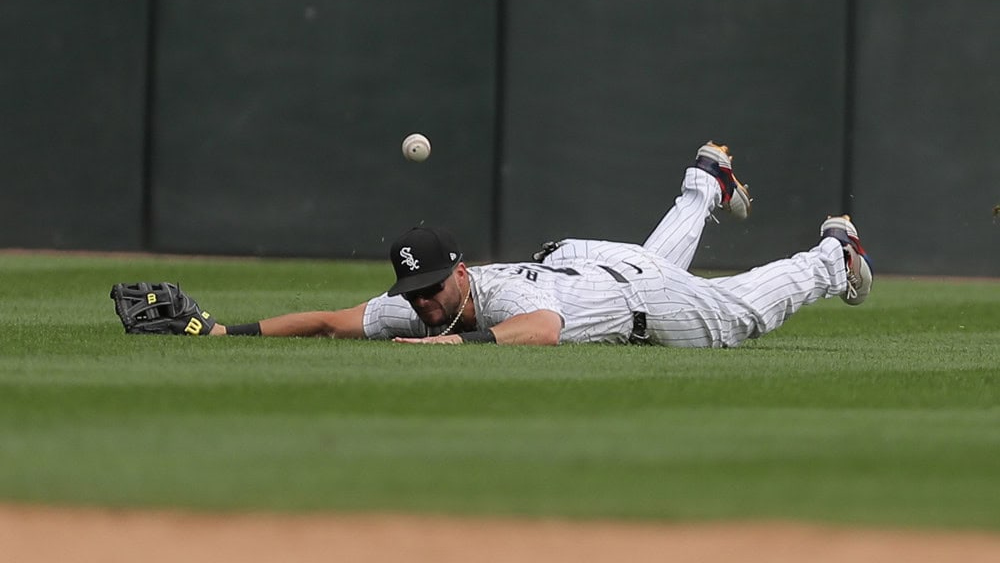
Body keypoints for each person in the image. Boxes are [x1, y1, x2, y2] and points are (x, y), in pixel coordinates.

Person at [195, 142, 872, 347]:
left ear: (459, 273)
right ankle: (703, 184)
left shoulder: (496, 297)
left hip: (635, 293)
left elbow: (543, 327)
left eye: (431, 288)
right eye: (414, 294)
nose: (423, 304)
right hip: (587, 264)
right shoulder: (429, 302)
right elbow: (329, 321)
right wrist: (224, 330)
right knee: (654, 260)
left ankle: (832, 256)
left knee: (737, 317)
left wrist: (454, 344)